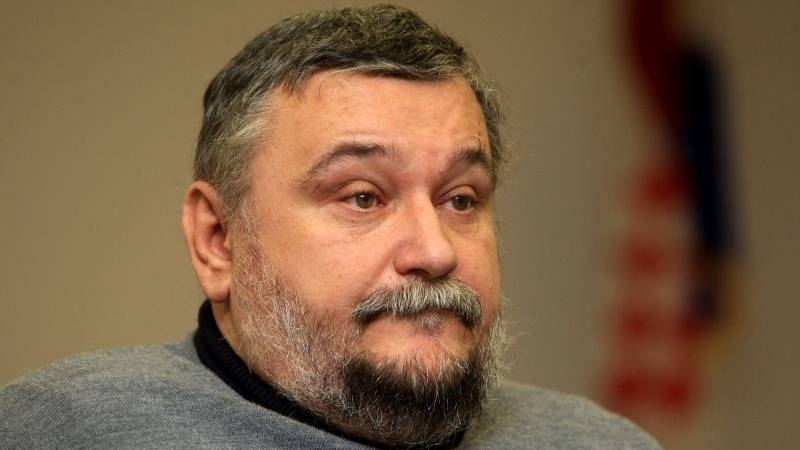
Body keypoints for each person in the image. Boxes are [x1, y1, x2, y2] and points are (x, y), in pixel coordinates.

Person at [1, 5, 661, 449]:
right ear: (218, 240)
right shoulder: (68, 431)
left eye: (460, 200)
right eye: (363, 197)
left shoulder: (600, 444)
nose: (434, 251)